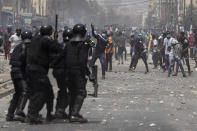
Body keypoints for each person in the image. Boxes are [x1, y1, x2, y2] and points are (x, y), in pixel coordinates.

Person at [26, 25, 62, 124]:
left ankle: (45, 114)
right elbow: (58, 48)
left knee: (45, 93)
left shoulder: (35, 38)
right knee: (40, 93)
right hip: (38, 70)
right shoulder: (46, 39)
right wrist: (55, 39)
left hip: (31, 69)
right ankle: (32, 115)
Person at [63, 24, 93, 123]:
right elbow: (82, 61)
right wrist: (89, 74)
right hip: (78, 72)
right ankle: (74, 114)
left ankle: (72, 113)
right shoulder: (84, 44)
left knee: (72, 93)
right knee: (81, 92)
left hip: (67, 72)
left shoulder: (68, 44)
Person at [6, 31, 32, 122]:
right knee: (25, 91)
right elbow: (25, 59)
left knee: (18, 93)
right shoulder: (26, 46)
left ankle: (10, 114)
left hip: (14, 71)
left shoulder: (18, 46)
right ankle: (19, 112)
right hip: (20, 71)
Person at [52, 28, 73, 119]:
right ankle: (63, 110)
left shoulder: (58, 45)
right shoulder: (72, 46)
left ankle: (59, 110)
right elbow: (93, 44)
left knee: (62, 91)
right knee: (73, 92)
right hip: (67, 72)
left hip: (58, 72)